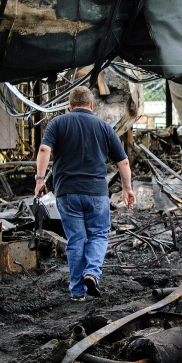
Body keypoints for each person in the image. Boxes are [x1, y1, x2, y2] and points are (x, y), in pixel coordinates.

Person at [34, 86, 136, 301]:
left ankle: (78, 292)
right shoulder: (104, 127)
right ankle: (92, 272)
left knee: (76, 239)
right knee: (98, 234)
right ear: (92, 105)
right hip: (96, 193)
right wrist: (127, 189)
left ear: (69, 106)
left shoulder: (58, 123)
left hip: (66, 193)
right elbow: (123, 161)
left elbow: (44, 150)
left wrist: (40, 179)